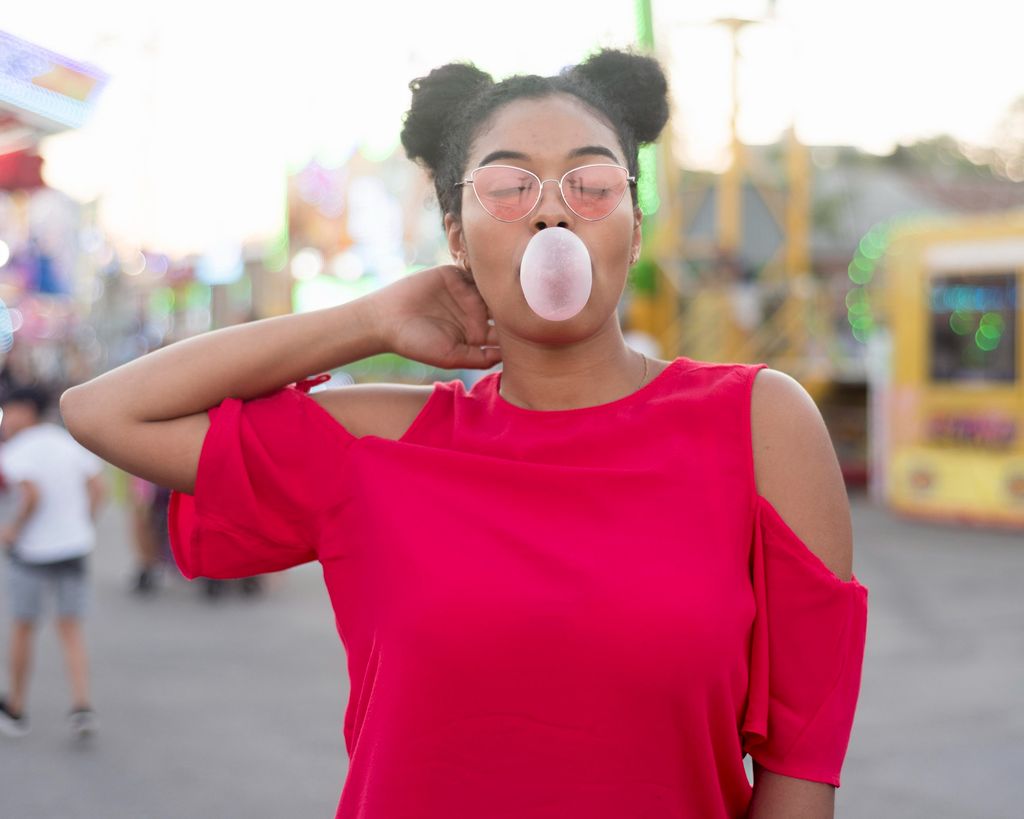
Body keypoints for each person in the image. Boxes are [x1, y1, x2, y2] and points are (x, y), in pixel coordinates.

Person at [60, 49, 868, 818]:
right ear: (455, 236)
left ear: (635, 223)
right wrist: (367, 319)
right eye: (509, 187)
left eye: (590, 183)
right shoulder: (381, 446)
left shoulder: (761, 423)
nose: (552, 208)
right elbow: (104, 412)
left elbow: (802, 766)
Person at [0, 385, 105, 739]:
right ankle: (81, 705)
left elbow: (31, 493)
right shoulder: (66, 441)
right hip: (73, 548)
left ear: (25, 410)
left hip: (31, 553)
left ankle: (15, 708)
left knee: (24, 628)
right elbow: (97, 486)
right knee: (70, 627)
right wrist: (83, 522)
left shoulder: (15, 451)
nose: (6, 420)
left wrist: (13, 529)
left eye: (9, 411)